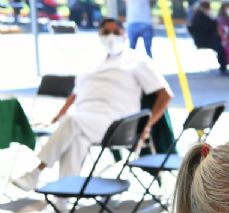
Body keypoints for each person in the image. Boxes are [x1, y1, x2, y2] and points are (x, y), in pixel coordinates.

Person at [12, 18, 172, 192]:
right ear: (99, 35)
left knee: (72, 121)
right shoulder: (91, 62)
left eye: (115, 32)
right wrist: (57, 116)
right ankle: (63, 203)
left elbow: (165, 94)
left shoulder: (137, 60)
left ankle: (36, 172)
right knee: (75, 143)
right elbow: (75, 93)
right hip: (85, 121)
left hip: (117, 124)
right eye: (106, 32)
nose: (111, 36)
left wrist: (147, 125)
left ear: (124, 35)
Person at [189, 1, 229, 75]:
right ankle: (223, 67)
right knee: (220, 47)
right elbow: (210, 26)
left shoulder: (201, 16)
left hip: (207, 39)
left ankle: (226, 65)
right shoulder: (200, 17)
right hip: (205, 40)